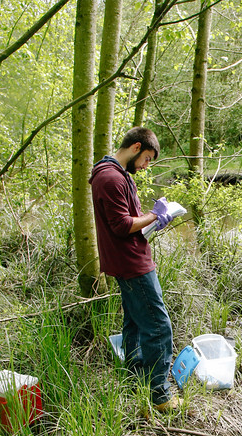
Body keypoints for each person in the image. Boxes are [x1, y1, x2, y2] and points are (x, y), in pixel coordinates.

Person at [89, 126, 180, 412]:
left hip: (128, 257)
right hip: (131, 263)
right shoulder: (110, 178)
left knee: (134, 321)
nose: (146, 165)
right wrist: (155, 215)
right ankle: (160, 395)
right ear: (137, 147)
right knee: (158, 325)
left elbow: (128, 220)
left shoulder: (116, 175)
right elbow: (121, 225)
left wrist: (152, 221)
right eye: (148, 159)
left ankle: (135, 376)